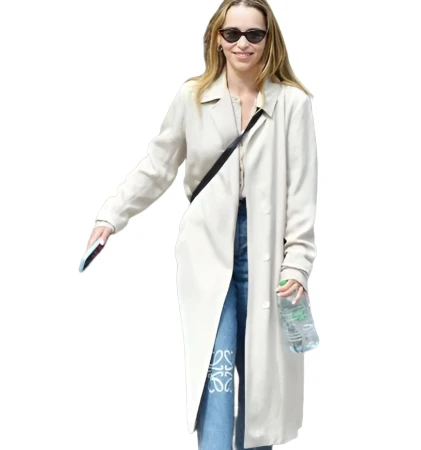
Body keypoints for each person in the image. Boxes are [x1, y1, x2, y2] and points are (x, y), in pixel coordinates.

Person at [86, 0, 318, 448]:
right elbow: (158, 165)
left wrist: (298, 264)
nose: (242, 43)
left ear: (269, 39)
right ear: (217, 38)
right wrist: (111, 214)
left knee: (261, 381)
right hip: (207, 248)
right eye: (232, 33)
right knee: (217, 368)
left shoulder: (293, 103)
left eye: (254, 34)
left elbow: (302, 195)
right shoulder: (193, 97)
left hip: (268, 250)